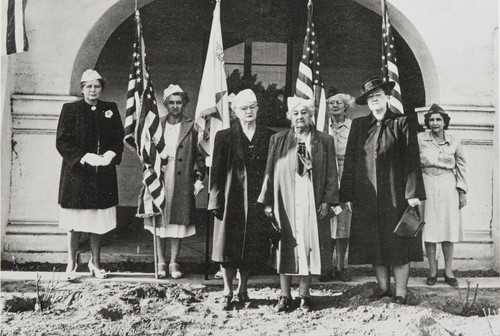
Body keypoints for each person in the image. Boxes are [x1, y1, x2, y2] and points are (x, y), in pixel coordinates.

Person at [340, 77, 426, 305]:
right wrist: (347, 194)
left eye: (378, 95)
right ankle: (383, 289)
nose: (374, 99)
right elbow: (350, 161)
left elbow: (411, 160)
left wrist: (413, 194)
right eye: (370, 97)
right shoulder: (358, 126)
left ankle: (401, 294)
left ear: (387, 97)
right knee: (374, 242)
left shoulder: (402, 123)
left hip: (396, 196)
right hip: (367, 197)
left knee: (397, 242)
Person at [258, 97, 339, 312]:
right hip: (286, 199)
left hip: (311, 198)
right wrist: (267, 202)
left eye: (304, 112)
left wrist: (327, 201)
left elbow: (332, 173)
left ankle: (304, 295)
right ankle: (284, 295)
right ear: (289, 117)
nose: (300, 117)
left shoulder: (324, 140)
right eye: (296, 113)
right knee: (286, 245)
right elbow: (270, 170)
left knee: (308, 245)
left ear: (311, 116)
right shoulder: (279, 139)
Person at [209, 89, 275, 310]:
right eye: (244, 108)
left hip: (257, 199)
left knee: (251, 248)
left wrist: (269, 202)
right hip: (231, 199)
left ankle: (243, 290)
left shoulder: (269, 136)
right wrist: (215, 201)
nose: (249, 111)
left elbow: (273, 170)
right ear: (235, 111)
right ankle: (227, 290)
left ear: (258, 109)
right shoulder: (224, 136)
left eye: (252, 107)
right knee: (228, 247)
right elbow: (216, 172)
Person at [56, 69, 124, 280]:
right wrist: (83, 157)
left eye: (97, 86)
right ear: (82, 88)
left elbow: (118, 136)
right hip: (77, 175)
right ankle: (72, 263)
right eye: (89, 86)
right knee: (74, 222)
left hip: (101, 174)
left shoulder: (109, 108)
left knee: (97, 222)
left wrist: (111, 153)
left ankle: (95, 263)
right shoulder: (70, 109)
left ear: (101, 88)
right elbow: (62, 141)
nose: (93, 90)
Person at [143, 84, 205, 279]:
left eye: (179, 102)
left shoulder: (191, 125)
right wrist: (149, 171)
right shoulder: (157, 125)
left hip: (182, 177)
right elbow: (146, 152)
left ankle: (174, 262)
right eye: (171, 103)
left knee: (177, 222)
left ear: (184, 103)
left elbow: (199, 155)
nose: (175, 106)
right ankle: (161, 261)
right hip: (160, 177)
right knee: (159, 220)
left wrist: (198, 177)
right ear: (165, 104)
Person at [418, 104, 467, 287]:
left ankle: (448, 270)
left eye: (438, 119)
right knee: (429, 229)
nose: (435, 123)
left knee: (448, 228)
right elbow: (415, 165)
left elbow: (461, 165)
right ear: (427, 123)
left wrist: (461, 191)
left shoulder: (455, 140)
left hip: (448, 185)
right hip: (427, 183)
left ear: (445, 122)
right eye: (431, 120)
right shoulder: (420, 139)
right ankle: (432, 270)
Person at [325, 87, 356, 282]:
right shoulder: (321, 126)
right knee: (327, 222)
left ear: (346, 107)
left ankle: (341, 265)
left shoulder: (353, 127)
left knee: (343, 224)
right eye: (331, 102)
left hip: (346, 175)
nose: (335, 105)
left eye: (339, 102)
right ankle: (327, 266)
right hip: (326, 176)